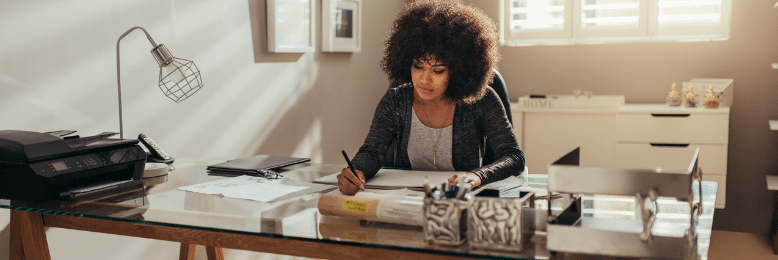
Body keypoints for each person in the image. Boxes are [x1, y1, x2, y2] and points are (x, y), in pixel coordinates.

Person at [337, 0, 524, 195]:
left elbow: (513, 156)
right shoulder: (395, 101)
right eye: (418, 66)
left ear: (459, 71)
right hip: (405, 202)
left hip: (460, 203)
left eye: (438, 70)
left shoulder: (482, 100)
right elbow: (372, 152)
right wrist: (356, 171)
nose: (424, 79)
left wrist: (476, 176)